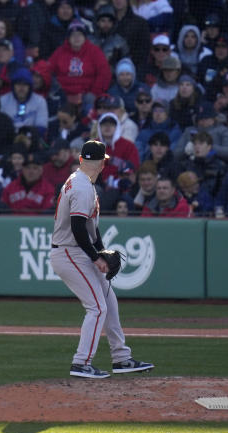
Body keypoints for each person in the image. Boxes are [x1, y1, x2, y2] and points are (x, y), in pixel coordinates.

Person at [50, 140, 154, 379]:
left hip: (75, 250)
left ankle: (121, 358)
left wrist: (101, 251)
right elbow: (77, 228)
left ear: (81, 160)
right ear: (103, 163)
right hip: (69, 251)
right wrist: (96, 257)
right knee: (97, 307)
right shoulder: (82, 187)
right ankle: (81, 363)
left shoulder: (80, 181)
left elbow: (90, 228)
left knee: (109, 301)